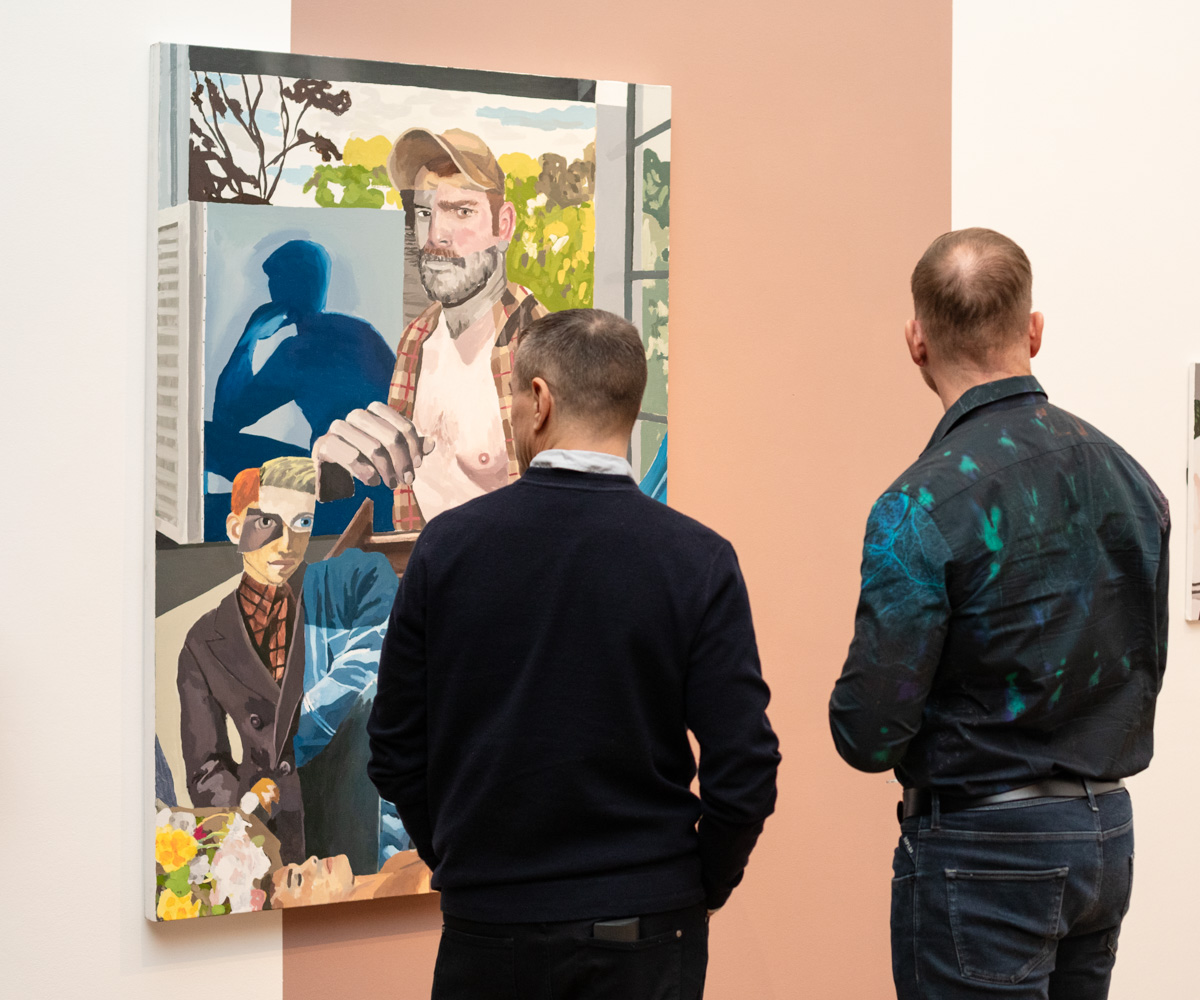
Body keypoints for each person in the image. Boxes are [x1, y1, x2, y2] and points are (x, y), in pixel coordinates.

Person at [368, 309, 780, 1000]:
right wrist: (697, 881)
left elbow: (394, 749)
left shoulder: (447, 549)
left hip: (489, 920)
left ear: (540, 401)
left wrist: (460, 858)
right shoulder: (698, 559)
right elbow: (746, 768)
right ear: (631, 402)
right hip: (647, 922)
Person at [828, 229, 1170, 999]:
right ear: (1035, 331)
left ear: (916, 341)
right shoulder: (1130, 476)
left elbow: (868, 732)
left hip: (983, 854)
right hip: (1105, 838)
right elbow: (1144, 665)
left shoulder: (917, 505)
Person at [312, 127, 549, 529]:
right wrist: (332, 466)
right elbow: (401, 486)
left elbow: (571, 518)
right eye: (425, 212)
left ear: (503, 225)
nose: (436, 235)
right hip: (420, 579)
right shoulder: (416, 338)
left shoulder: (545, 346)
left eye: (462, 211)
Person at [176, 456, 399, 869]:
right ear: (234, 528)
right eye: (267, 524)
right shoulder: (202, 641)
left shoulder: (347, 581)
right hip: (267, 833)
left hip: (349, 812)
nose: (286, 544)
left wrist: (301, 728)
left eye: (301, 523)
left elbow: (379, 633)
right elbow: (206, 767)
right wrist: (241, 817)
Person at [205, 239, 398, 538]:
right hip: (379, 488)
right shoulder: (360, 332)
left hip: (339, 492)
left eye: (276, 282)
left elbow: (228, 418)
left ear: (288, 287)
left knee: (205, 440)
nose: (272, 291)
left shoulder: (297, 351)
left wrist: (250, 337)